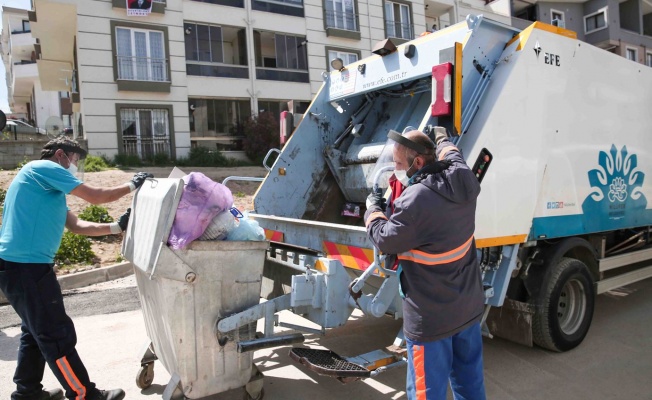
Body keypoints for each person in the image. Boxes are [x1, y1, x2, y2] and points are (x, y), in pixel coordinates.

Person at [0, 137, 153, 400]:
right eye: (74, 161)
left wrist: (117, 227)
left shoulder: (44, 185)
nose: (75, 167)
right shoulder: (43, 169)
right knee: (55, 334)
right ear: (60, 154)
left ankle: (27, 393)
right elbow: (95, 196)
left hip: (18, 267)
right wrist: (132, 184)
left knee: (34, 332)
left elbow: (77, 225)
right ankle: (84, 394)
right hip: (26, 268)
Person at [364, 128, 486, 400]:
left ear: (417, 163)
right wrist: (441, 136)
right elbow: (451, 152)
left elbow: (385, 239)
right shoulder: (463, 175)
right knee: (471, 387)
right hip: (467, 309)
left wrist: (372, 210)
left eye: (397, 164)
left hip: (431, 322)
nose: (394, 170)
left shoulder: (415, 199)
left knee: (427, 394)